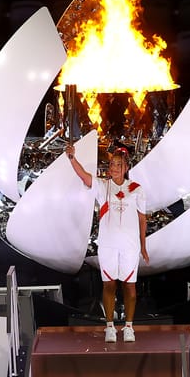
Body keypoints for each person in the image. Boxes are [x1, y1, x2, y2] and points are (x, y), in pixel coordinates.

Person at [66, 142, 149, 342]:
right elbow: (84, 176)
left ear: (126, 168)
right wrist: (71, 158)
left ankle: (129, 326)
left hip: (130, 245)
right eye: (111, 165)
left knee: (129, 286)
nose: (113, 168)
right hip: (108, 244)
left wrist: (143, 246)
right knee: (109, 285)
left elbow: (141, 219)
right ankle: (110, 326)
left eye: (117, 165)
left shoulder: (137, 189)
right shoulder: (103, 186)